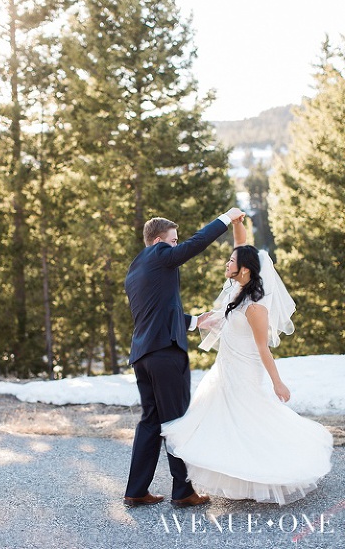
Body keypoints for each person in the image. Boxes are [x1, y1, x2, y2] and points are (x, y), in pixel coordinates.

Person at [160, 216, 333, 504]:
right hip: (225, 369)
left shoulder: (255, 307)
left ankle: (272, 471)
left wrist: (278, 383)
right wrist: (237, 220)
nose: (226, 264)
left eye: (230, 261)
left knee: (250, 422)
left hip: (244, 372)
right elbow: (241, 244)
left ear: (244, 270)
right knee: (229, 424)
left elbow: (263, 349)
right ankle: (242, 482)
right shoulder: (238, 291)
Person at [122, 207, 244, 508]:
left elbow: (157, 311)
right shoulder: (161, 253)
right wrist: (227, 218)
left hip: (143, 355)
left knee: (150, 421)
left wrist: (194, 321)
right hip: (165, 355)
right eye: (173, 240)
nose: (177, 245)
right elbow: (197, 243)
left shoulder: (136, 269)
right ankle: (183, 491)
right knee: (177, 420)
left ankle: (136, 490)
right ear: (158, 241)